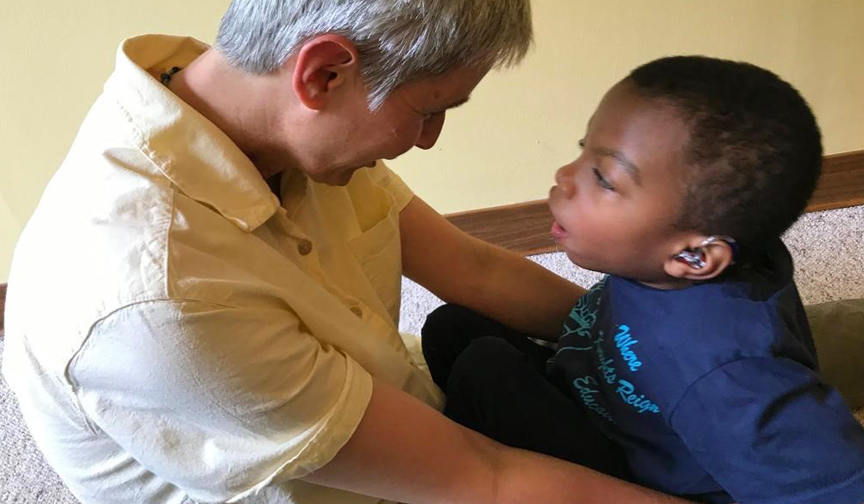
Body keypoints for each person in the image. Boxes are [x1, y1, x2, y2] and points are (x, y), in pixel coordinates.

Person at [1, 1, 694, 503]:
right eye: (431, 110)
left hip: (382, 415)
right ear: (324, 73)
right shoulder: (162, 298)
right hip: (361, 481)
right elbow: (484, 477)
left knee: (499, 353)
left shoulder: (255, 119)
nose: (429, 140)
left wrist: (651, 345)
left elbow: (473, 269)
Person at [422, 56, 864, 504]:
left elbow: (836, 488)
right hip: (601, 396)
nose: (564, 177)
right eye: (582, 149)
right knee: (451, 326)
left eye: (604, 179)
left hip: (630, 471)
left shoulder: (730, 376)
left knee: (485, 368)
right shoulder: (683, 257)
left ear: (694, 257)